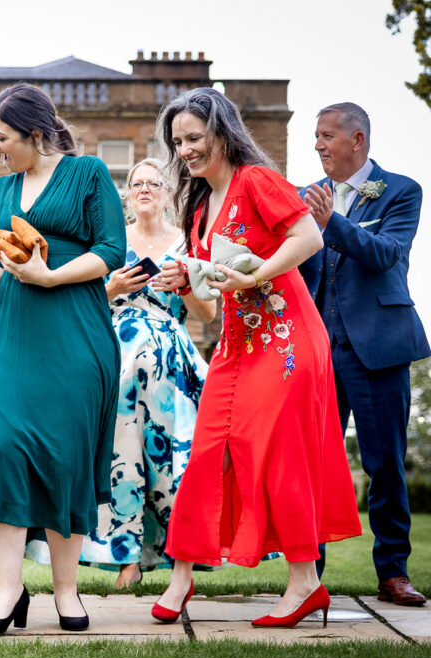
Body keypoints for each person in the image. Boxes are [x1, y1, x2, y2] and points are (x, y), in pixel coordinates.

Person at [152, 88, 361, 628]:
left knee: (276, 455)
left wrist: (256, 274)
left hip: (287, 340)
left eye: (194, 138)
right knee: (204, 457)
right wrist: (184, 283)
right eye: (177, 143)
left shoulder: (256, 181)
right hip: (234, 348)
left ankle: (304, 584)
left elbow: (309, 236)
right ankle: (182, 577)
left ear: (222, 132)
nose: (186, 151)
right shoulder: (197, 209)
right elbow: (210, 315)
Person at [0, 83, 126, 634]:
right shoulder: (1, 192)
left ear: (36, 132)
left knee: (63, 457)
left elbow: (111, 251)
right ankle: (9, 588)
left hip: (75, 330)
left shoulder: (88, 173)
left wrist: (51, 276)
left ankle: (66, 591)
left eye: (2, 137)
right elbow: (7, 268)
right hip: (13, 331)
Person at [26, 159, 214, 589]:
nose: (144, 188)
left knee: (173, 459)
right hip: (116, 354)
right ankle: (124, 555)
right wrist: (112, 288)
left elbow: (209, 313)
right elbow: (82, 300)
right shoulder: (111, 242)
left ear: (169, 193)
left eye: (154, 183)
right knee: (118, 456)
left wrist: (184, 283)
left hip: (172, 361)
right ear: (126, 195)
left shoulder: (188, 243)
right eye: (136, 183)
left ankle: (176, 556)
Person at [300, 103, 429, 606]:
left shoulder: (402, 191)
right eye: (315, 136)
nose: (317, 145)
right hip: (319, 349)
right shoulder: (307, 197)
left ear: (357, 140)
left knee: (385, 464)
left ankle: (393, 572)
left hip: (379, 345)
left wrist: (330, 221)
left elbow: (384, 255)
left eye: (327, 135)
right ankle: (308, 577)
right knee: (313, 465)